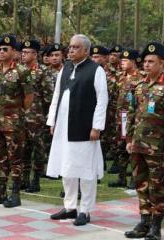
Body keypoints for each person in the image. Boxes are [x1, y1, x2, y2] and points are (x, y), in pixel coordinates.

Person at [47, 34, 108, 226]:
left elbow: (102, 99)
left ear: (85, 51)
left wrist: (97, 126)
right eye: (70, 47)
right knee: (67, 168)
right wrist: (52, 121)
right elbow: (56, 95)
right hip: (64, 127)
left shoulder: (96, 70)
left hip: (84, 128)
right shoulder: (65, 68)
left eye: (75, 47)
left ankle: (86, 210)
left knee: (86, 171)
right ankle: (70, 207)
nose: (71, 50)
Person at [124, 42, 164, 240]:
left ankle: (156, 226)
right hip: (138, 143)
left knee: (157, 186)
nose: (146, 65)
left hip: (158, 146)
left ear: (162, 63)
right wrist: (129, 138)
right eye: (145, 61)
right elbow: (132, 113)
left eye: (151, 61)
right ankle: (144, 221)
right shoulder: (139, 85)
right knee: (141, 184)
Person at [0, 35, 34, 208]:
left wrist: (17, 113)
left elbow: (29, 97)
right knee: (0, 157)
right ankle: (1, 191)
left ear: (14, 51)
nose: (1, 52)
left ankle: (15, 194)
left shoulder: (22, 71)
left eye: (5, 49)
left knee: (15, 158)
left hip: (14, 123)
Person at [20, 39, 52, 193]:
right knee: (23, 149)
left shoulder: (42, 71)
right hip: (20, 117)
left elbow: (49, 97)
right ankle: (24, 179)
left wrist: (46, 117)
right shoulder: (18, 70)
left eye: (27, 52)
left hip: (36, 117)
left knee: (38, 149)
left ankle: (36, 179)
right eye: (22, 52)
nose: (23, 55)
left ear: (35, 54)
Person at [108, 48, 140, 188]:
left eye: (125, 60)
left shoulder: (140, 78)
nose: (122, 63)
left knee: (132, 148)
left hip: (133, 118)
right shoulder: (121, 77)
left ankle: (134, 178)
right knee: (121, 147)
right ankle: (122, 177)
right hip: (121, 118)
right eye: (122, 60)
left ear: (133, 62)